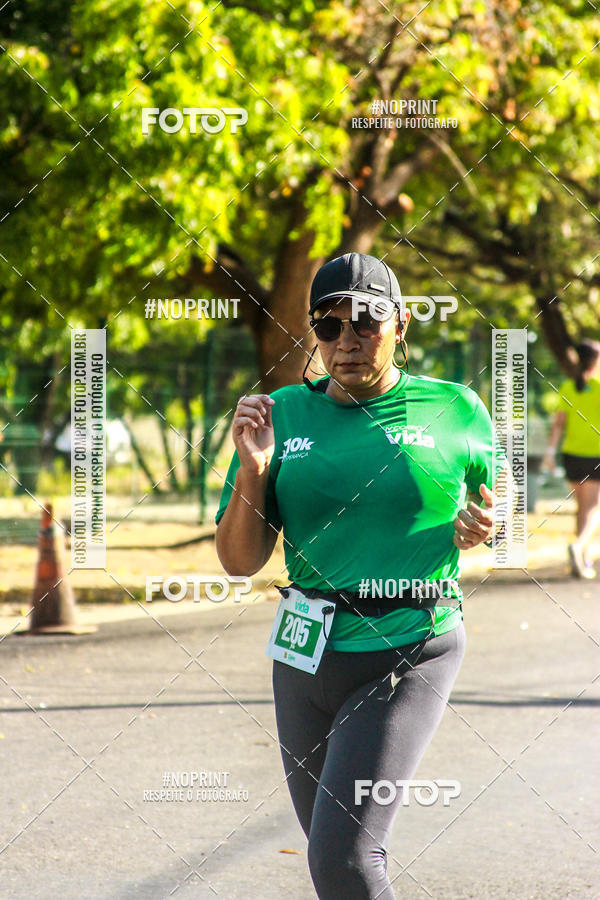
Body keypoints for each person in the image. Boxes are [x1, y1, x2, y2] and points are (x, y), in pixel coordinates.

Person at [215, 253, 504, 899]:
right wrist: (255, 473)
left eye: (366, 322)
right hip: (305, 655)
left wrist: (484, 525)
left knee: (346, 859)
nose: (347, 340)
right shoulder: (279, 414)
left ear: (399, 324)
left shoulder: (453, 407)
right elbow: (238, 561)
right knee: (331, 853)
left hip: (409, 645)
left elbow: (503, 504)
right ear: (311, 332)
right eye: (329, 325)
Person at [542, 339, 600, 579]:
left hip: (571, 455)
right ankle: (579, 546)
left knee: (582, 508)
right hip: (595, 454)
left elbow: (558, 424)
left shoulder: (567, 386)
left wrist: (550, 452)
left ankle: (583, 560)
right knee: (594, 508)